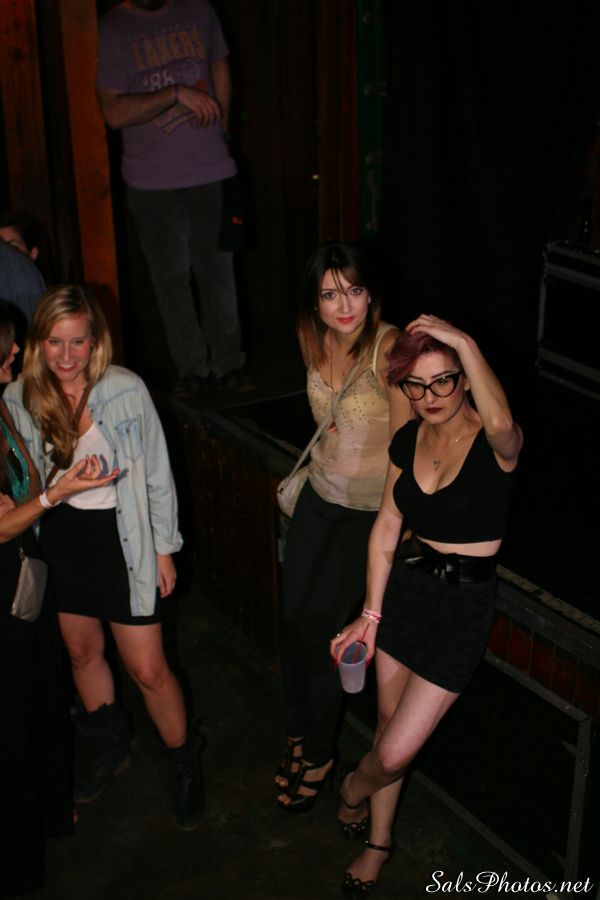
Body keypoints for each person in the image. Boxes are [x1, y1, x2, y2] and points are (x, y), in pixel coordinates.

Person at [331, 314, 523, 896]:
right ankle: (379, 842)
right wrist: (370, 613)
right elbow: (387, 529)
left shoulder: (496, 445)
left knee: (392, 752)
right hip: (408, 593)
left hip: (462, 609)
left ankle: (351, 789)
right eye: (416, 385)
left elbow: (502, 422)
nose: (430, 396)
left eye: (444, 380)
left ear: (465, 378)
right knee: (386, 726)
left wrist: (464, 340)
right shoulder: (409, 439)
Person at [3, 284, 204, 832]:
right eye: (55, 342)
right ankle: (111, 745)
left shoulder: (125, 389)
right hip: (62, 540)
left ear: (96, 341)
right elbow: (24, 475)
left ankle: (184, 761)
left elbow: (159, 474)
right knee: (81, 652)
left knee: (148, 669)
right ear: (38, 342)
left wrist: (165, 549)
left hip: (125, 539)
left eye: (78, 342)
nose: (67, 356)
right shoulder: (20, 395)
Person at [275, 242, 412, 813]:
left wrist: (395, 523)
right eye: (330, 294)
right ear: (315, 303)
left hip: (366, 513)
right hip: (318, 497)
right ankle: (299, 730)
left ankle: (321, 752)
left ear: (370, 292)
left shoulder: (390, 348)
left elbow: (406, 449)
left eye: (354, 290)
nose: (345, 306)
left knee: (323, 633)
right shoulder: (314, 339)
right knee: (291, 622)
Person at [0, 303, 119, 895]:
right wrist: (55, 495)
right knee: (11, 718)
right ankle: (18, 855)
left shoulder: (7, 404)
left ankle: (49, 812)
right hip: (5, 581)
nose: (16, 354)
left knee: (42, 700)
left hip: (27, 573)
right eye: (10, 347)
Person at [96, 0, 249, 396]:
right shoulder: (113, 27)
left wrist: (223, 131)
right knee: (171, 280)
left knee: (218, 275)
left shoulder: (199, 9)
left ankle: (228, 365)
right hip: (150, 180)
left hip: (210, 168)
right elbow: (113, 112)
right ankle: (192, 370)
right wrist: (175, 93)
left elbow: (219, 65)